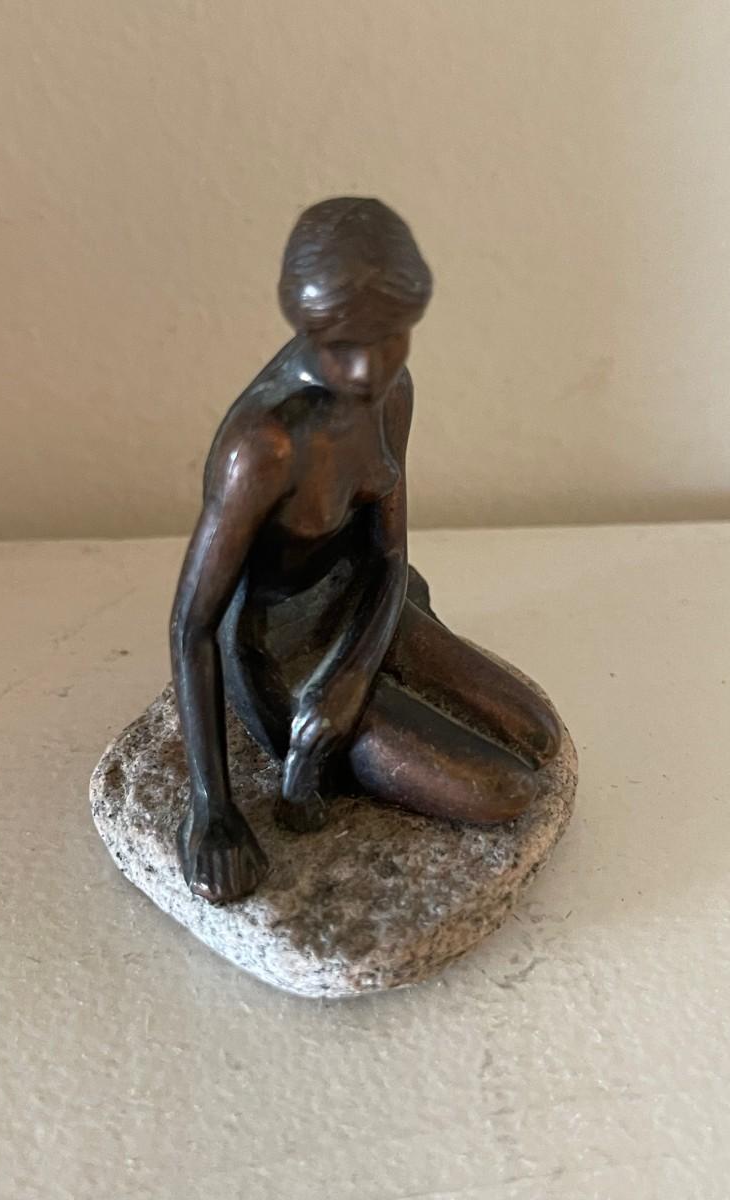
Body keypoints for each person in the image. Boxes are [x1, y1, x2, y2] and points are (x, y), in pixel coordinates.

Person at [171, 198, 562, 903]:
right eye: (342, 345)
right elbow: (191, 626)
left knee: (538, 735)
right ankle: (346, 732)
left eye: (390, 339)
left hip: (367, 609)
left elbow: (388, 555)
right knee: (503, 790)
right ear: (306, 326)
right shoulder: (264, 446)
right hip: (278, 649)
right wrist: (212, 809)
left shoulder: (392, 394)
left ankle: (377, 688)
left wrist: (351, 677)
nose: (367, 369)